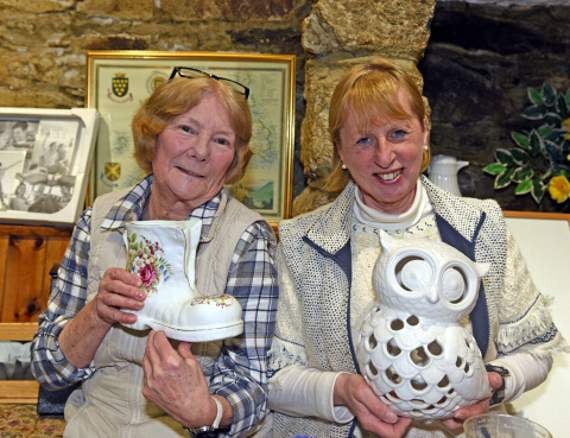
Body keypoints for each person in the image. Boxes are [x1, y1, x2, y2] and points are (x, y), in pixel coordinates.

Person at [266, 58, 566, 437]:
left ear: (424, 133)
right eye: (363, 140)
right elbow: (273, 375)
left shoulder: (481, 227)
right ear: (339, 151)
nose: (384, 156)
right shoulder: (302, 243)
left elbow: (537, 349)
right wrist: (342, 391)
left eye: (398, 133)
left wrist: (490, 385)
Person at [31, 67, 279, 437]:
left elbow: (253, 384)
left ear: (233, 161)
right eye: (187, 129)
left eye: (221, 141)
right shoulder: (99, 219)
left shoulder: (247, 238)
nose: (200, 152)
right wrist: (97, 314)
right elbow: (48, 368)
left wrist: (205, 411)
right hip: (93, 425)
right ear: (154, 135)